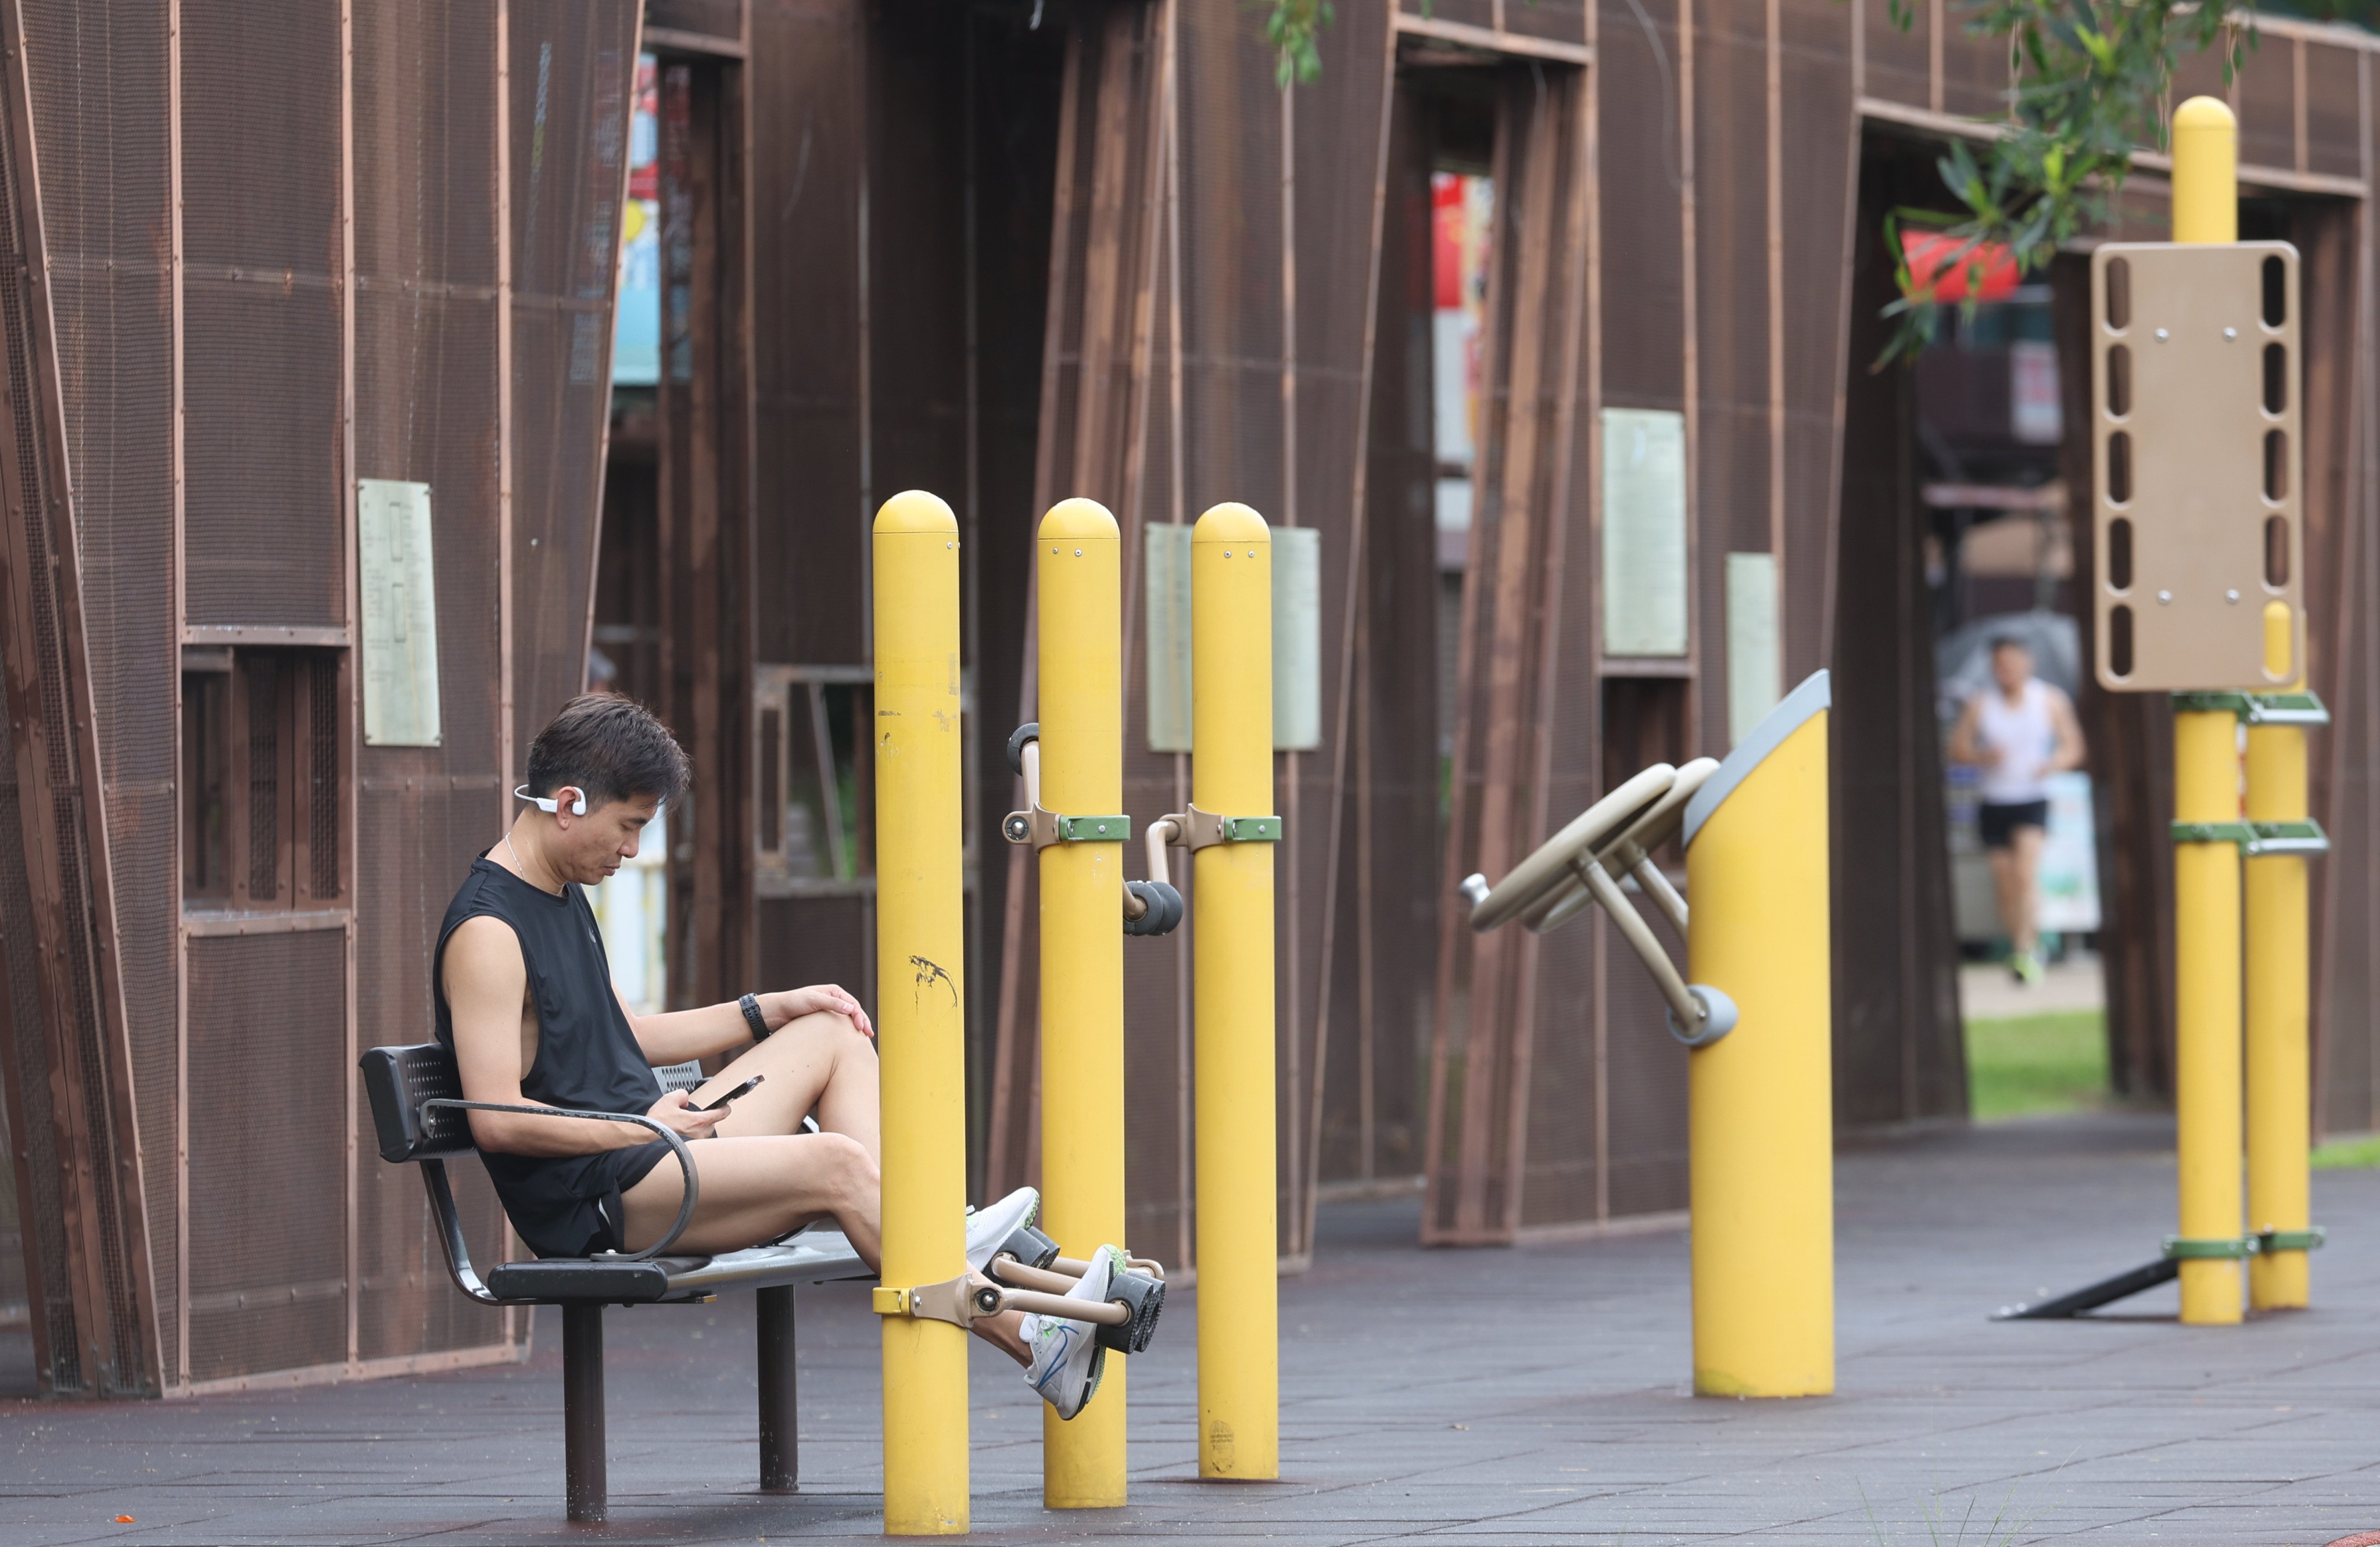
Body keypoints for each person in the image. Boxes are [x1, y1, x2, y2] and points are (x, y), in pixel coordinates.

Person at [436, 693, 1119, 1417]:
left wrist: (767, 1009)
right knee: (838, 1163)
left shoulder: (560, 891)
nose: (632, 849)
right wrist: (644, 1130)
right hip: (598, 1196)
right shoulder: (489, 931)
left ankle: (930, 1228)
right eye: (629, 826)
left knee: (832, 1030)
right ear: (568, 803)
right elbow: (496, 1119)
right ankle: (1028, 1336)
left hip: (654, 1144)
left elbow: (622, 1034)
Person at [1948, 636, 2087, 986]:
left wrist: (2053, 764)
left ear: (2027, 664)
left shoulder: (2050, 700)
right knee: (2005, 881)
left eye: (2010, 664)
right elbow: (1958, 747)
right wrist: (1982, 757)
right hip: (1994, 799)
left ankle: (2027, 950)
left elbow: (2074, 748)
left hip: (2031, 797)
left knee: (2025, 873)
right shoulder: (1982, 704)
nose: (2005, 672)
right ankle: (2019, 943)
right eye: (1999, 665)